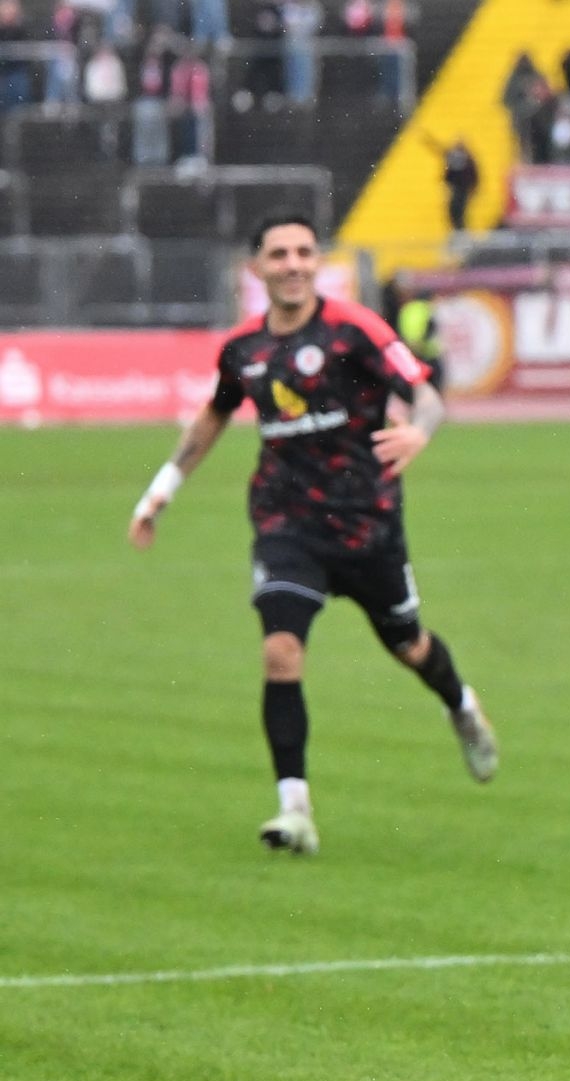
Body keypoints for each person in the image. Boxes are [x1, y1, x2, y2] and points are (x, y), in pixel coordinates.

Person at [128, 215, 496, 855]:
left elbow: (425, 393)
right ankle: (294, 808)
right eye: (279, 254)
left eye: (303, 252)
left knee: (408, 645)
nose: (293, 264)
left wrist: (420, 430)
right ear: (258, 268)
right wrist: (161, 489)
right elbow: (215, 413)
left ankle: (461, 704)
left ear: (316, 263)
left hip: (366, 523)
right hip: (286, 522)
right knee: (281, 651)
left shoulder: (356, 329)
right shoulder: (243, 350)